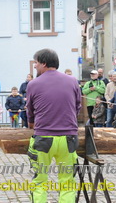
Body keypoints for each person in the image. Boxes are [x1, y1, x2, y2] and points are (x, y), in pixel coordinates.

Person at [26, 49, 81, 203]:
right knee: (67, 182)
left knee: (40, 181)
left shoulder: (33, 84)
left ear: (44, 63)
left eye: (36, 62)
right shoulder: (72, 81)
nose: (35, 66)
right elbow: (77, 107)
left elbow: (30, 111)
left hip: (43, 137)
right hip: (68, 139)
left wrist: (32, 124)